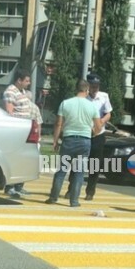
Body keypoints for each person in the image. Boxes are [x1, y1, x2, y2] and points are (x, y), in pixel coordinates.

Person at [45, 79, 102, 207]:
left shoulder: (65, 103)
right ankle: (74, 201)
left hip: (68, 140)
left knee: (61, 171)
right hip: (84, 141)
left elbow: (58, 124)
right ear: (87, 90)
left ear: (76, 89)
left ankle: (53, 198)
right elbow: (98, 127)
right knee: (79, 172)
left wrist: (55, 141)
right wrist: (91, 133)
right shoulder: (92, 106)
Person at [65, 73, 112, 200]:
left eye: (97, 86)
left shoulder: (103, 96)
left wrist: (101, 122)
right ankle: (71, 189)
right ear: (88, 86)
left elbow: (108, 114)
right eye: (93, 86)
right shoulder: (82, 98)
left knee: (94, 164)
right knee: (77, 163)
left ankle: (90, 191)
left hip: (98, 134)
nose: (95, 88)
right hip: (84, 134)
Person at [2, 68, 33, 198]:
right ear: (19, 80)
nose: (29, 83)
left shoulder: (22, 91)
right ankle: (10, 187)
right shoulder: (10, 92)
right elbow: (9, 111)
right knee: (14, 158)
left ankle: (19, 186)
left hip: (26, 130)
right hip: (17, 130)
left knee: (23, 159)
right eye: (26, 80)